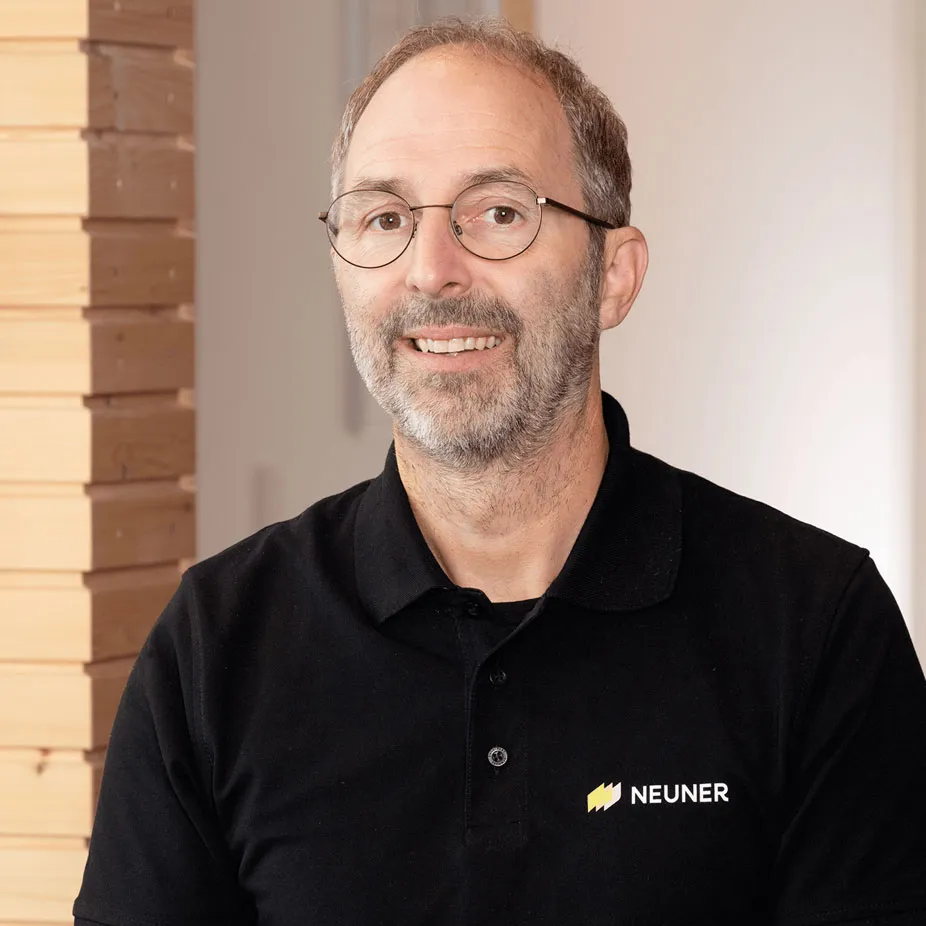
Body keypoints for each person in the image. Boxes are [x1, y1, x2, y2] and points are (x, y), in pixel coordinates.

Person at [74, 17, 926, 926]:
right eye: (385, 218)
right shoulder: (216, 648)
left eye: (500, 213)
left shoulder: (817, 628)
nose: (432, 270)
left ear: (614, 276)